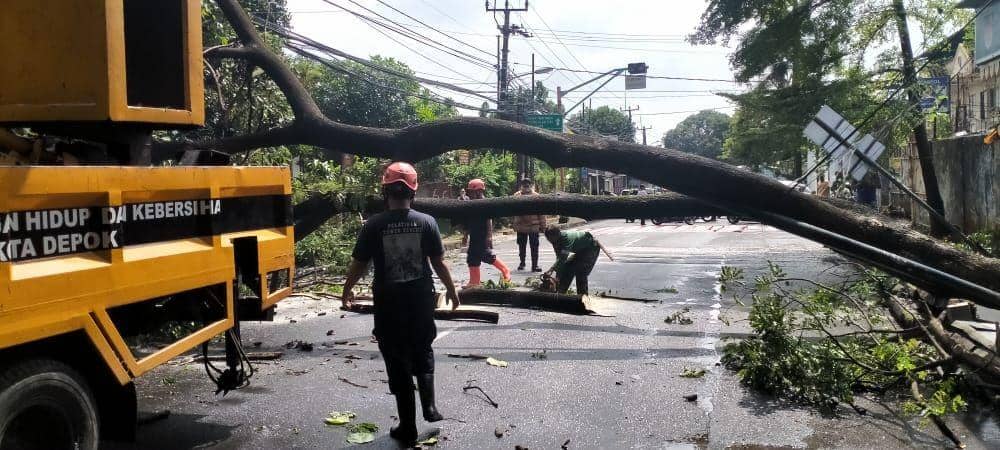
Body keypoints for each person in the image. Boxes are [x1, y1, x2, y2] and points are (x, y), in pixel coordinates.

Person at [341, 162, 460, 444]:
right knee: (422, 346)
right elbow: (438, 263)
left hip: (388, 301)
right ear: (413, 192)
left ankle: (408, 426)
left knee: (396, 358)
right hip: (419, 298)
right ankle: (429, 407)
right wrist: (452, 290)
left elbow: (360, 263)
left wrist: (347, 289)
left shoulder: (374, 225)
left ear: (385, 191)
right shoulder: (426, 222)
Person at [464, 178, 511, 287]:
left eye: (472, 191)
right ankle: (474, 282)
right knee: (472, 257)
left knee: (486, 255)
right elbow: (467, 221)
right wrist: (465, 235)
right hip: (474, 235)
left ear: (479, 191)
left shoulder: (485, 203)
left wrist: (489, 236)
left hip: (482, 234)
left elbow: (489, 220)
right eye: (469, 191)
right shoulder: (471, 204)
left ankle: (506, 271)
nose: (470, 193)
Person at [543, 225, 604, 295]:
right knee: (568, 267)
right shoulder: (555, 241)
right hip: (578, 250)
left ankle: (582, 297)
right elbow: (559, 259)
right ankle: (561, 293)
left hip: (591, 247)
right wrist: (557, 276)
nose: (550, 241)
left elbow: (563, 257)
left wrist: (551, 269)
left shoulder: (567, 239)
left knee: (580, 272)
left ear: (557, 235)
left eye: (551, 238)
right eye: (548, 239)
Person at [512, 179, 546, 272]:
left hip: (533, 226)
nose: (526, 185)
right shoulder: (516, 196)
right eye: (524, 184)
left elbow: (541, 213)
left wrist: (543, 226)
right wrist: (514, 224)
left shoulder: (536, 196)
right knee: (521, 246)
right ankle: (522, 263)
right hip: (521, 226)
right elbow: (512, 211)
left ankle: (534, 265)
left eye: (528, 184)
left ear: (531, 185)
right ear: (521, 185)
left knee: (534, 247)